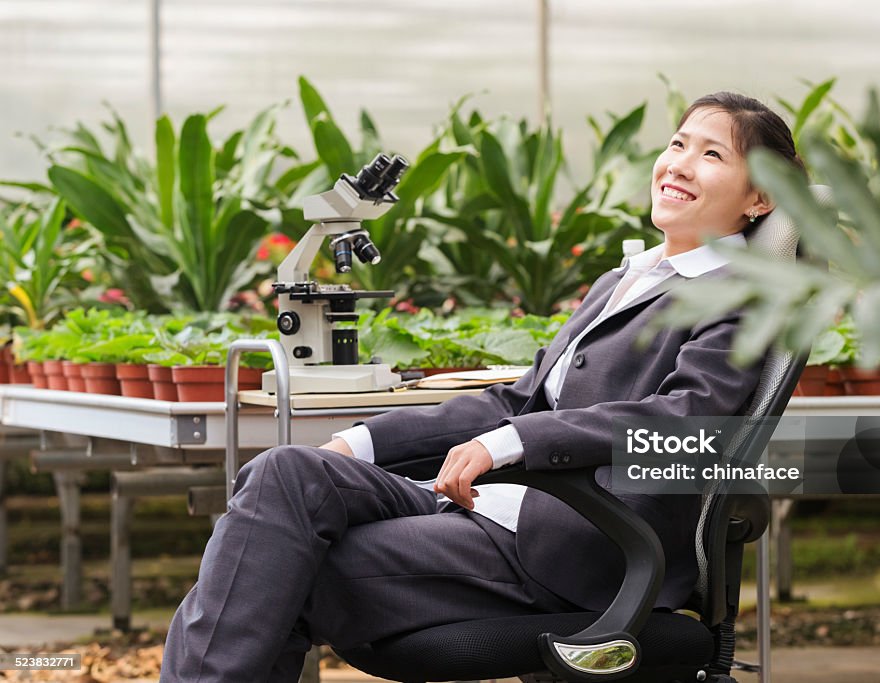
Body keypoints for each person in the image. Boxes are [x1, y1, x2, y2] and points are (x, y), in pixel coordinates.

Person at [161, 91, 804, 682]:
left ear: (760, 199)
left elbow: (683, 419)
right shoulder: (623, 280)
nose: (680, 164)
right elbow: (515, 399)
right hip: (484, 509)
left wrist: (513, 443)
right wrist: (359, 445)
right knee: (283, 476)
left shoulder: (742, 297)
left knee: (267, 565)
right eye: (677, 144)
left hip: (571, 542)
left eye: (712, 154)